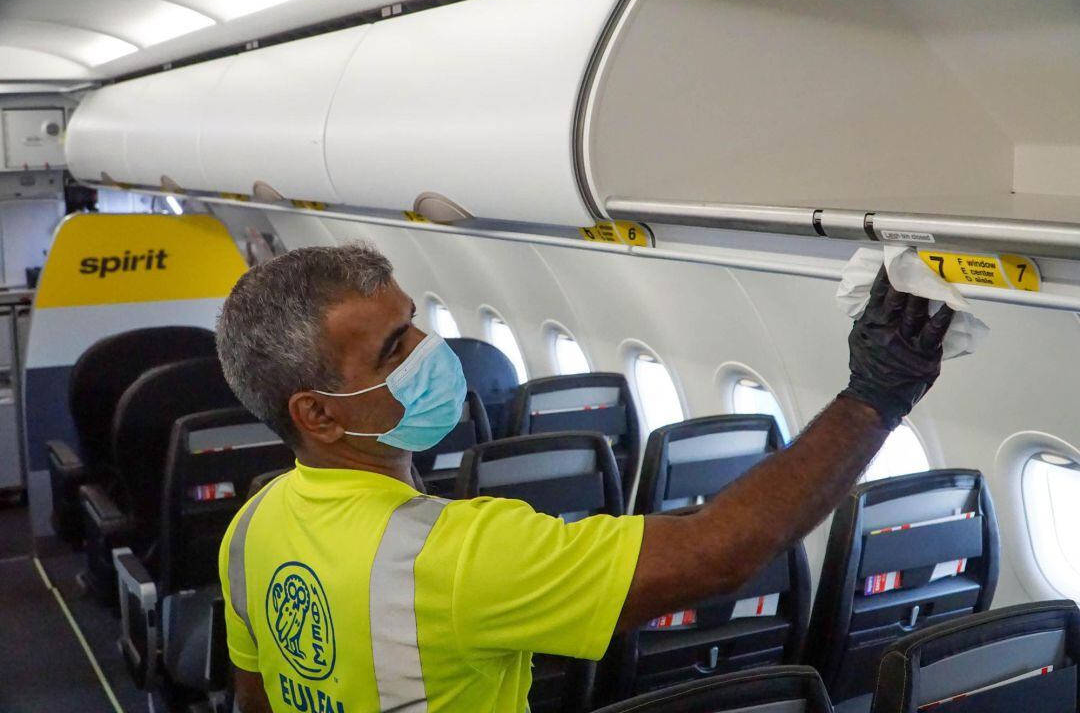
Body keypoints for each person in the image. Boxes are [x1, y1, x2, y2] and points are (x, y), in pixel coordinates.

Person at [216, 243, 953, 713]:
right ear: (318, 414)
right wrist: (874, 399)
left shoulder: (252, 527)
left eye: (415, 324)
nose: (430, 350)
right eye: (391, 350)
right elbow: (716, 553)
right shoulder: (446, 556)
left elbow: (260, 699)